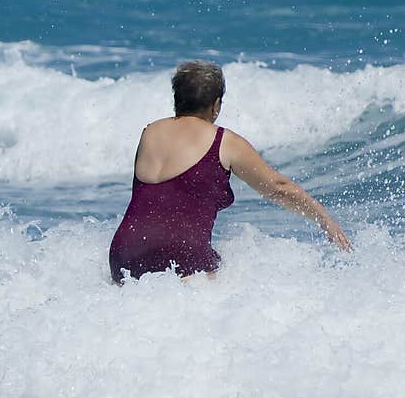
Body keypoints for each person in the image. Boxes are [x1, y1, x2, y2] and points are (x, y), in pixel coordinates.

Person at [109, 59, 351, 283]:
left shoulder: (150, 132)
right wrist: (324, 219)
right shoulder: (225, 142)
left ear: (177, 98)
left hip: (123, 257)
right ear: (216, 105)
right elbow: (278, 188)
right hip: (182, 257)